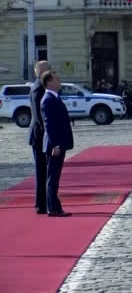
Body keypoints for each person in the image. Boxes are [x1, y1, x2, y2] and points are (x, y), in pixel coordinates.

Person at [40, 70, 74, 217]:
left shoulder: (54, 97)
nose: (59, 81)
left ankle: (55, 207)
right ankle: (53, 208)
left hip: (59, 143)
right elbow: (49, 125)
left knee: (55, 177)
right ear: (49, 82)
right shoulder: (48, 99)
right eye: (56, 79)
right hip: (55, 145)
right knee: (52, 177)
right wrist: (55, 145)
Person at [28, 61, 51, 214]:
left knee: (43, 171)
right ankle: (41, 205)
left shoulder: (41, 86)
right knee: (41, 171)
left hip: (40, 135)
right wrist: (47, 134)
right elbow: (38, 115)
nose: (50, 72)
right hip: (39, 136)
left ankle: (43, 204)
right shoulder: (38, 88)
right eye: (48, 70)